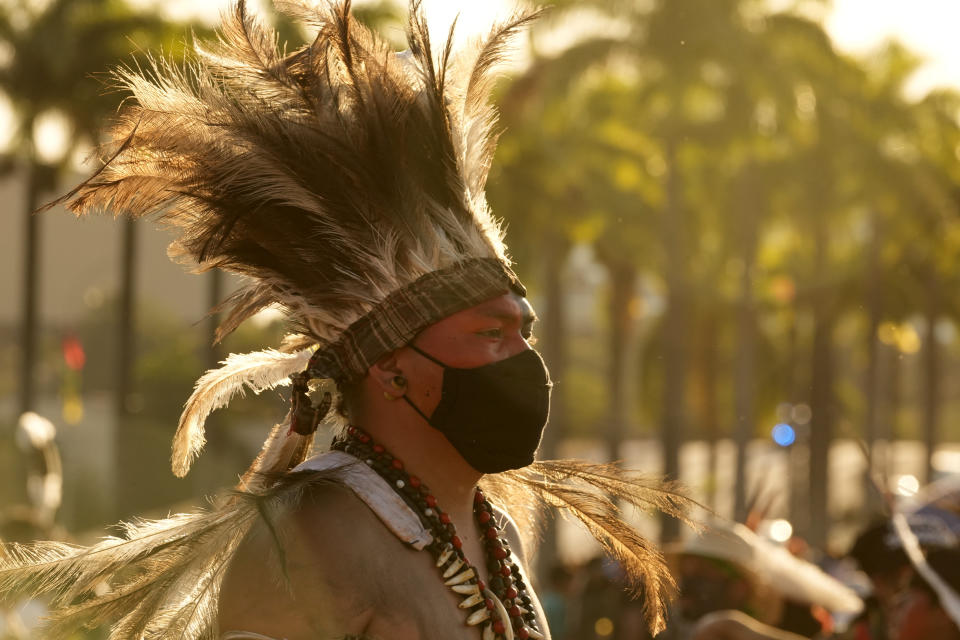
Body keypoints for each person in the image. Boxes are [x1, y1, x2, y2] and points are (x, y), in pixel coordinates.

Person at [0, 2, 695, 639]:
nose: (523, 357)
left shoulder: (498, 535)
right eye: (490, 334)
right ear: (392, 370)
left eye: (523, 330)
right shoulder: (306, 538)